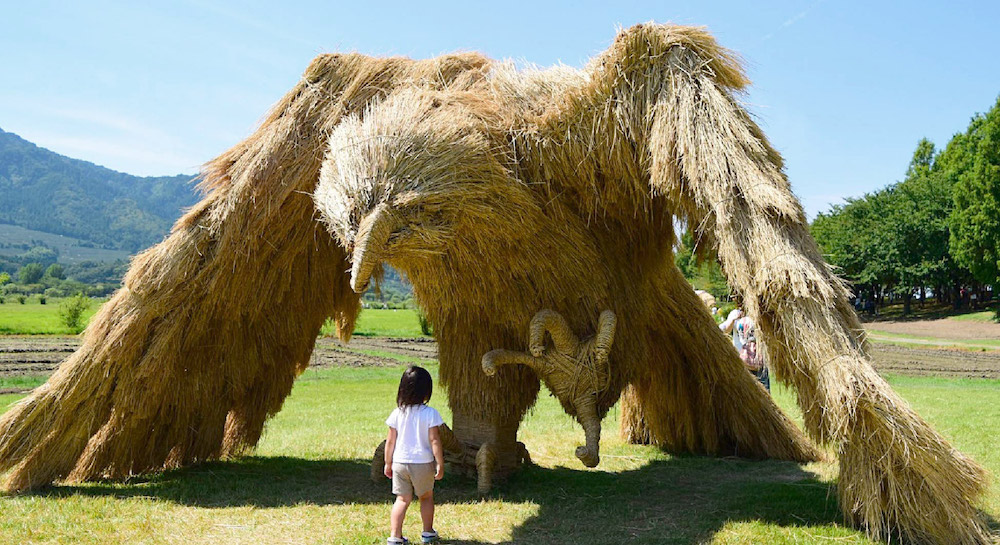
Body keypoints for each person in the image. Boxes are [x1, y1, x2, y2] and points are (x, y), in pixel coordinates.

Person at [384, 366, 445, 544]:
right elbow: (434, 441)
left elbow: (390, 442)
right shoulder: (430, 414)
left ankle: (395, 536)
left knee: (401, 499)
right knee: (426, 497)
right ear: (427, 391)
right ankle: (427, 532)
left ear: (402, 389)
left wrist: (388, 463)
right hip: (422, 463)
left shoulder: (397, 413)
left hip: (400, 462)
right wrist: (440, 463)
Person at [719, 309, 770, 391]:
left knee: (764, 391)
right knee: (745, 392)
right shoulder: (735, 313)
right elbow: (724, 330)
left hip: (760, 360)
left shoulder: (759, 310)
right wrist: (733, 320)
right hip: (742, 361)